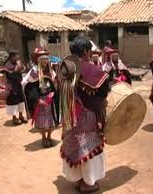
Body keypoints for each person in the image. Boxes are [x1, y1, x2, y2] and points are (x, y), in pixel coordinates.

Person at [59, 36, 110, 193]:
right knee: (89, 147)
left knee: (76, 145)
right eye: (90, 51)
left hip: (69, 114)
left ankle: (80, 179)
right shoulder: (92, 69)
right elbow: (102, 92)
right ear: (87, 51)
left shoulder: (65, 67)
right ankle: (88, 183)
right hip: (86, 117)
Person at [23, 48, 59, 148]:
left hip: (50, 99)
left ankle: (49, 136)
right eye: (43, 59)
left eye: (46, 59)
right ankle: (43, 137)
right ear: (38, 60)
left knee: (51, 119)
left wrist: (54, 92)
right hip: (41, 99)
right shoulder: (34, 72)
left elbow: (54, 84)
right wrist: (37, 99)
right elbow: (30, 86)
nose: (45, 61)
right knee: (42, 120)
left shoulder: (51, 71)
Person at [1, 50, 28, 126]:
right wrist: (17, 67)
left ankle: (21, 116)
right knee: (13, 102)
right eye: (17, 56)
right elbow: (10, 75)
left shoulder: (17, 63)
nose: (18, 57)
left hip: (18, 85)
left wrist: (20, 65)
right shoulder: (7, 65)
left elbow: (23, 69)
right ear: (12, 56)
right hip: (11, 87)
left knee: (21, 101)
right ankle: (14, 117)